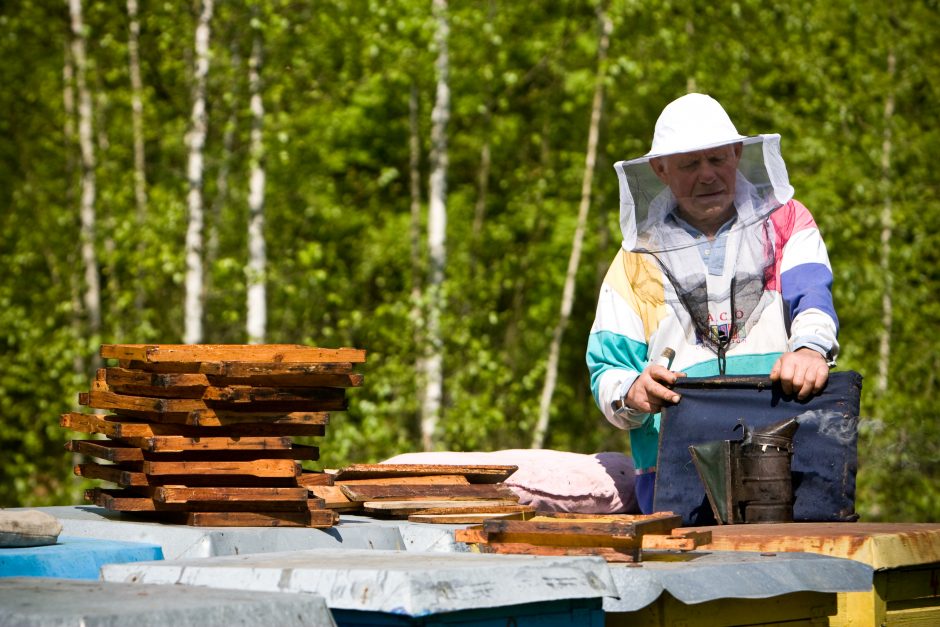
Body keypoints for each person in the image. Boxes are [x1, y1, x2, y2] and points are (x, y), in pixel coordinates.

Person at [586, 93, 838, 514]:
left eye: (717, 159)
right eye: (689, 164)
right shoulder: (635, 259)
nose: (707, 176)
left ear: (738, 153)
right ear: (659, 170)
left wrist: (811, 348)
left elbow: (812, 295)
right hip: (674, 479)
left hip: (782, 462)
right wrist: (633, 391)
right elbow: (606, 370)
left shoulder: (786, 222)